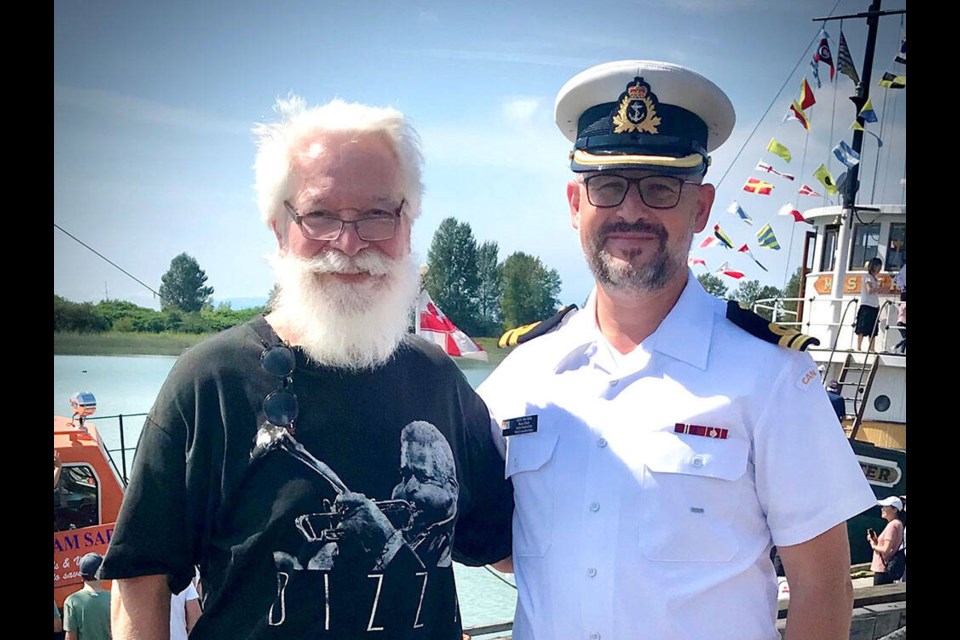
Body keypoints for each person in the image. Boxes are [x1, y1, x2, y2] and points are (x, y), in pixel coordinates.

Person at [478, 60, 877, 640]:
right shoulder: (523, 374)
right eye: (607, 186)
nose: (632, 211)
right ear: (574, 203)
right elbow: (498, 543)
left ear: (702, 206)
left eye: (661, 187)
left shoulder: (771, 376)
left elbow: (821, 587)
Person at [99, 96, 514, 639]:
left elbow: (506, 549)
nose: (349, 243)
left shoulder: (437, 379)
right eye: (320, 215)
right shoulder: (210, 381)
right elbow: (140, 579)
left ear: (408, 224)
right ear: (279, 228)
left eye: (378, 213)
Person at [62, 553, 112, 640]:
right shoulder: (113, 598)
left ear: (81, 575)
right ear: (101, 573)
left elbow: (71, 637)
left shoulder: (71, 601)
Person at [868, 496, 905, 585]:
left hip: (883, 568)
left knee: (878, 596)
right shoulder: (898, 524)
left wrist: (873, 546)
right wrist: (876, 541)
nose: (882, 509)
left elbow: (886, 549)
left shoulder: (892, 525)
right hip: (888, 567)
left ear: (894, 509)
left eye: (885, 506)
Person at [856, 257, 884, 351]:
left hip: (874, 305)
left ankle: (872, 348)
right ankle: (859, 347)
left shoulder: (874, 279)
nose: (879, 269)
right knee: (862, 327)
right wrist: (880, 288)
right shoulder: (867, 277)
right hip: (866, 305)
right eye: (878, 267)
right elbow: (869, 290)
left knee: (873, 328)